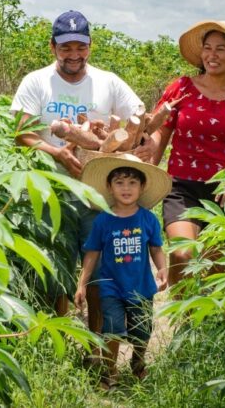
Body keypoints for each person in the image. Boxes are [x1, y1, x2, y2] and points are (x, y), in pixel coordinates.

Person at [11, 10, 155, 331]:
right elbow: (22, 132)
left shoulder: (108, 82)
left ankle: (97, 349)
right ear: (53, 48)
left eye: (80, 47)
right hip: (50, 191)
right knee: (55, 269)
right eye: (66, 48)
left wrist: (132, 138)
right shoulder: (37, 82)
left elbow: (139, 116)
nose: (73, 55)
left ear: (90, 46)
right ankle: (59, 340)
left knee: (101, 270)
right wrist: (56, 152)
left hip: (97, 194)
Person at [148, 20, 225, 288]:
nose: (212, 55)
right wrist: (146, 178)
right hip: (181, 186)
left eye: (221, 49)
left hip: (223, 191)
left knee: (216, 269)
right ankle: (181, 322)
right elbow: (159, 134)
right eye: (208, 48)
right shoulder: (181, 88)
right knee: (182, 253)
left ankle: (205, 327)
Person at [73, 154, 171, 388]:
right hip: (111, 287)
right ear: (109, 187)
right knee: (112, 329)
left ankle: (138, 363)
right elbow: (92, 253)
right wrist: (82, 283)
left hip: (141, 287)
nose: (126, 188)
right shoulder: (103, 221)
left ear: (142, 187)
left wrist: (162, 268)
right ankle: (110, 371)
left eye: (132, 183)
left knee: (142, 330)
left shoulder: (147, 219)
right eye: (119, 182)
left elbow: (156, 248)